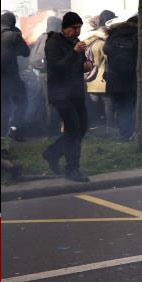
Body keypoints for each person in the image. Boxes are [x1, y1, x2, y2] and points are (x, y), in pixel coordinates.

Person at [42, 12, 93, 182]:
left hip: (76, 92)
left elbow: (77, 66)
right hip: (60, 93)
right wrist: (74, 52)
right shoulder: (53, 43)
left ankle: (52, 153)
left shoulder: (75, 43)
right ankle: (72, 169)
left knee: (82, 128)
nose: (77, 31)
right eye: (74, 28)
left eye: (79, 28)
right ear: (65, 28)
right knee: (73, 130)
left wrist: (86, 64)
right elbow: (57, 67)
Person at [103, 15, 142, 140]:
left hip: (115, 77)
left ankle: (124, 134)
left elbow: (106, 50)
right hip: (133, 77)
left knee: (122, 107)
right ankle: (136, 132)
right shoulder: (139, 35)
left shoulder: (113, 34)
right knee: (135, 105)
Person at [1, 11, 31, 140]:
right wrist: (18, 35)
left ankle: (3, 133)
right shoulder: (13, 36)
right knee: (22, 102)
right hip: (11, 77)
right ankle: (14, 128)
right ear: (12, 23)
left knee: (4, 105)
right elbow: (25, 52)